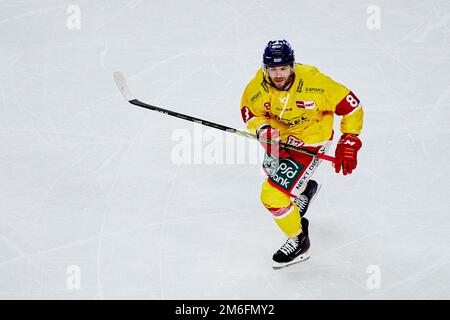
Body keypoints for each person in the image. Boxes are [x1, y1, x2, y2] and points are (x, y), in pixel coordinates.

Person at [240, 40, 364, 269]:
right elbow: (250, 113)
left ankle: (299, 240)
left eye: (283, 68)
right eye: (273, 69)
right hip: (280, 139)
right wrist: (262, 129)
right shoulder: (258, 86)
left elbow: (352, 106)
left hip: (310, 141)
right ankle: (305, 189)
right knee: (271, 171)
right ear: (265, 68)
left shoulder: (316, 84)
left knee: (272, 196)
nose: (278, 75)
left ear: (292, 66)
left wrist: (349, 139)